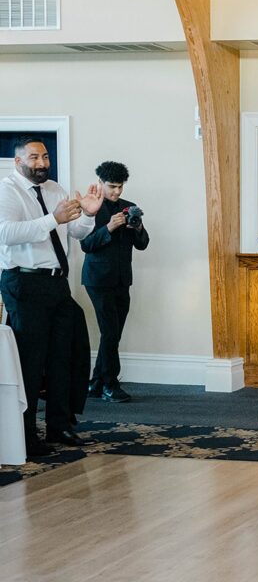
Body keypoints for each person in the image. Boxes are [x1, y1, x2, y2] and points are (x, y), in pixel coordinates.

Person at [0, 138, 102, 456]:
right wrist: (52, 219)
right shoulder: (7, 190)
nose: (43, 163)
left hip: (58, 284)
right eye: (34, 157)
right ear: (18, 162)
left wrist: (88, 215)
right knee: (31, 362)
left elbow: (77, 233)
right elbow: (6, 233)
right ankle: (26, 435)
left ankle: (59, 427)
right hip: (24, 283)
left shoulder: (56, 189)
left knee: (63, 357)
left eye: (45, 156)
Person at [80, 161, 150, 403]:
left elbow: (142, 244)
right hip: (97, 280)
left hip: (122, 279)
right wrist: (108, 228)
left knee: (113, 333)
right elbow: (86, 245)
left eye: (120, 187)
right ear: (100, 182)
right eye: (112, 186)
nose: (117, 192)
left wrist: (137, 226)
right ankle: (110, 384)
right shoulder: (91, 209)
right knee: (110, 331)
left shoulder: (129, 208)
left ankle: (97, 381)